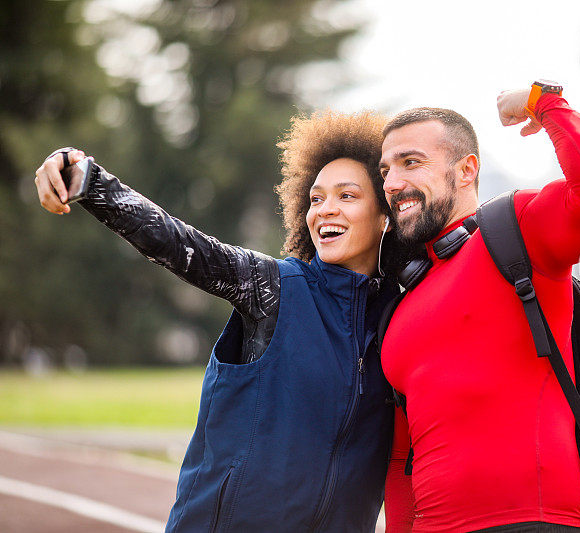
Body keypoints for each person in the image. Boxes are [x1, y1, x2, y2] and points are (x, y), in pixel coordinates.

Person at [34, 110, 406, 532]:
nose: (325, 211)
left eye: (347, 196)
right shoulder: (274, 286)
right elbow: (179, 243)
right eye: (316, 198)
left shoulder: (399, 316)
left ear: (385, 216)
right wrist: (89, 181)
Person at [379, 82, 580, 532]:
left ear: (466, 170)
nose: (393, 183)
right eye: (385, 171)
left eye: (410, 162)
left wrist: (546, 102)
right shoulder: (399, 308)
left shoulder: (516, 232)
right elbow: (403, 458)